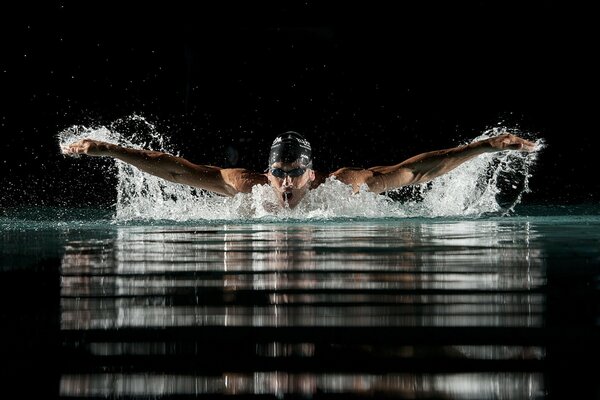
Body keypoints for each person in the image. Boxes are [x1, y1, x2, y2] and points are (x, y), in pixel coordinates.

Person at [62, 131, 537, 208]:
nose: (286, 183)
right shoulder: (246, 187)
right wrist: (110, 150)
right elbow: (176, 171)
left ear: (313, 174)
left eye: (294, 173)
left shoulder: (344, 186)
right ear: (267, 173)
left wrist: (486, 147)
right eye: (279, 174)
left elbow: (417, 172)